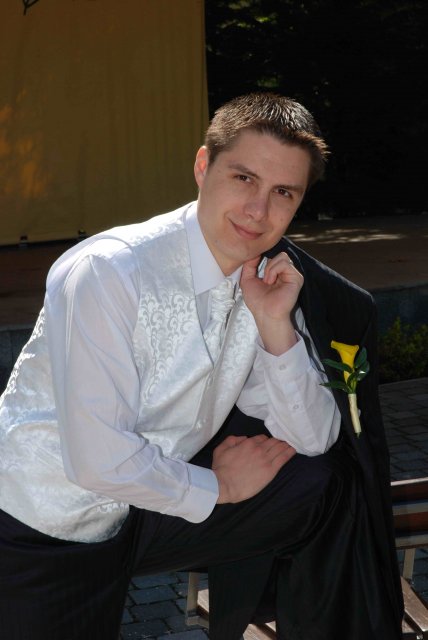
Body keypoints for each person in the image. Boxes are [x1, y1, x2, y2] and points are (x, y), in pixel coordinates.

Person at [0, 93, 403, 639]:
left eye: (283, 192)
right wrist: (218, 487)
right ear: (202, 166)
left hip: (140, 507)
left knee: (322, 484)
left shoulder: (264, 280)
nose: (258, 210)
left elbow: (314, 438)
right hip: (42, 522)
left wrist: (275, 326)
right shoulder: (108, 272)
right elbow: (96, 460)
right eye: (243, 178)